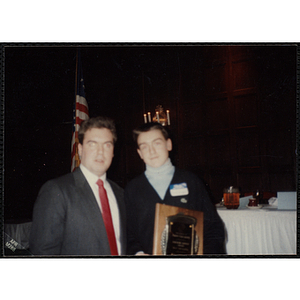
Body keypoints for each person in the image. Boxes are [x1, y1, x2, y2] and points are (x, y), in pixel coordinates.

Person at [29, 116, 126, 255]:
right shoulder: (56, 191)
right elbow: (43, 254)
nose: (100, 151)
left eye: (107, 145)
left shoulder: (120, 194)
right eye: (92, 144)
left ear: (113, 152)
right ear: (80, 149)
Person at [124, 122, 225, 255]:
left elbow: (213, 228)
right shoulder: (132, 189)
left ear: (168, 144)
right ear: (139, 153)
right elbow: (127, 233)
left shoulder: (191, 182)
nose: (151, 151)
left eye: (157, 143)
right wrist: (138, 254)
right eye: (144, 146)